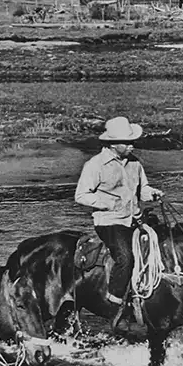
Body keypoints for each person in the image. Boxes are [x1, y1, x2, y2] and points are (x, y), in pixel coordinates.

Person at [75, 116, 163, 325]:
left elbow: (142, 191)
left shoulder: (135, 164)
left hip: (133, 220)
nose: (132, 145)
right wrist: (106, 203)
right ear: (113, 144)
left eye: (132, 141)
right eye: (127, 142)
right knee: (126, 257)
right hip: (109, 221)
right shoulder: (95, 165)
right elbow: (81, 195)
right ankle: (115, 302)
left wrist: (153, 194)